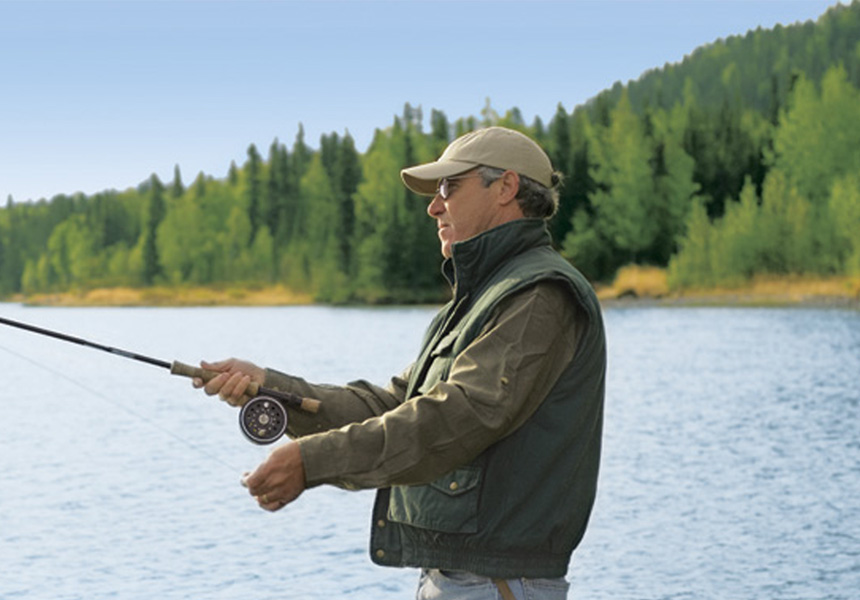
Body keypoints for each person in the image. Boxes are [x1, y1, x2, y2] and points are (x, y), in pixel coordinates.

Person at [195, 126, 606, 600]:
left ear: (506, 188)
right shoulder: (484, 299)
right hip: (466, 582)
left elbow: (454, 418)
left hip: (494, 586)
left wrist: (312, 462)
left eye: (450, 187)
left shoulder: (538, 296)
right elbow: (394, 404)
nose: (434, 206)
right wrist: (270, 390)